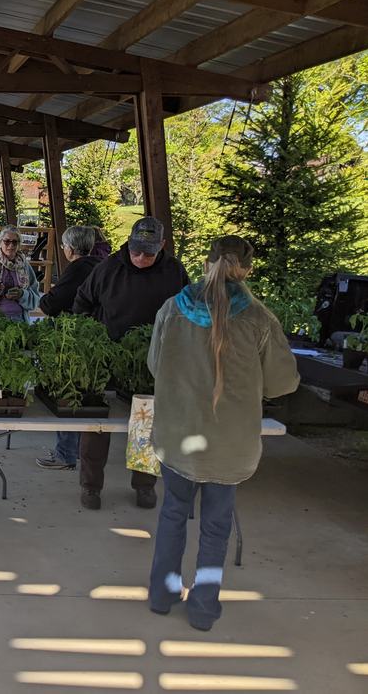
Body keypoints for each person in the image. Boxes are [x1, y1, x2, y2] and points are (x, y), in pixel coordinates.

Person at [147, 236, 299, 631]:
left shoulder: (172, 309)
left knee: (172, 514)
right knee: (217, 526)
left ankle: (162, 595)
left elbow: (154, 365)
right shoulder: (259, 318)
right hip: (230, 445)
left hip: (178, 436)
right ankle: (203, 608)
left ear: (206, 263)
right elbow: (281, 383)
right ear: (246, 270)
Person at [73, 216, 191, 511]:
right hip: (107, 358)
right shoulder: (108, 269)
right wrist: (92, 339)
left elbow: (189, 311)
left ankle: (144, 485)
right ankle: (90, 486)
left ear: (162, 246)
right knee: (97, 424)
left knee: (145, 422)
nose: (140, 258)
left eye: (148, 253)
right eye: (136, 250)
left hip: (151, 361)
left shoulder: (174, 272)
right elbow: (81, 304)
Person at [37, 225, 101, 471]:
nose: (63, 249)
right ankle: (78, 454)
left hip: (73, 339)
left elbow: (52, 304)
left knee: (67, 392)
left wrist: (47, 297)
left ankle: (66, 454)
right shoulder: (98, 265)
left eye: (63, 245)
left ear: (71, 249)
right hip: (91, 338)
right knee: (85, 396)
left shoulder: (77, 269)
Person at [0, 227, 41, 323]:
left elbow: (35, 298)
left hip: (19, 320)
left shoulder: (25, 266)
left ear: (18, 245)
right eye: (7, 241)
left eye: (15, 242)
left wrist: (22, 294)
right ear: (0, 243)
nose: (11, 245)